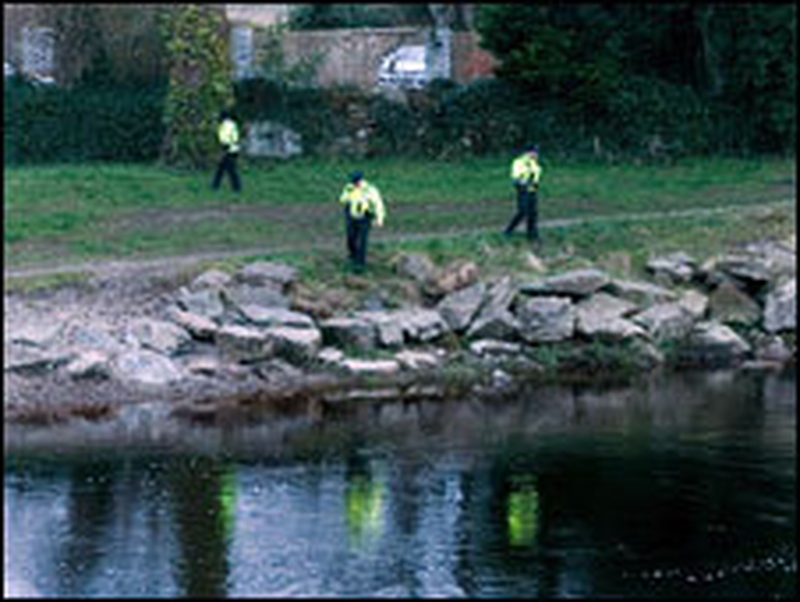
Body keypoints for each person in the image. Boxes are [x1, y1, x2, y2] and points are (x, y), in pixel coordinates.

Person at [339, 170, 386, 272]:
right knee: (351, 238)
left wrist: (380, 218)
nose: (354, 183)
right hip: (351, 216)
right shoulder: (349, 188)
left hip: (364, 217)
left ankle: (360, 264)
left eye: (356, 181)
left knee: (361, 241)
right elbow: (342, 199)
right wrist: (348, 192)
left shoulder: (370, 190)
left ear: (361, 180)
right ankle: (352, 256)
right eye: (353, 181)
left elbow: (378, 204)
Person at [504, 144, 543, 244]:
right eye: (534, 152)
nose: (536, 155)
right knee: (522, 211)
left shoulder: (535, 164)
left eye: (537, 153)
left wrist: (535, 184)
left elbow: (536, 177)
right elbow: (516, 177)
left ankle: (532, 234)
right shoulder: (519, 162)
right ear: (528, 152)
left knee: (533, 213)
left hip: (532, 190)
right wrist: (523, 184)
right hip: (522, 190)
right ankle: (509, 230)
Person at [212, 110, 241, 193]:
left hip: (229, 149)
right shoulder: (230, 124)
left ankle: (236, 187)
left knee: (230, 169)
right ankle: (215, 186)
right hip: (232, 149)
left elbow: (227, 138)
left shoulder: (226, 125)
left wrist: (224, 149)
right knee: (221, 168)